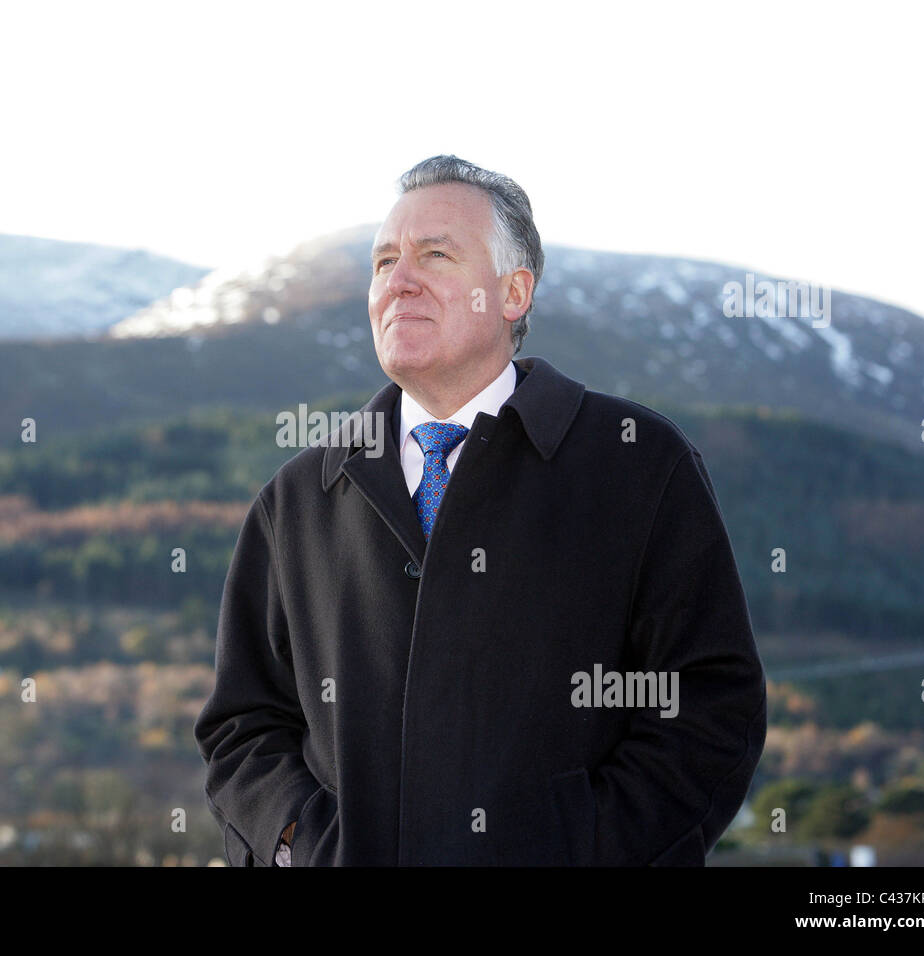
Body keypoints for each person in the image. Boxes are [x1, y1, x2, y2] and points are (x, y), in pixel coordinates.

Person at [194, 154, 767, 866]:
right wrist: (303, 845)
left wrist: (581, 850)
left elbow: (707, 706)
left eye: (434, 255)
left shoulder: (639, 463)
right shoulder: (298, 498)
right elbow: (244, 726)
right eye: (383, 262)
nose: (398, 282)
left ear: (512, 293)